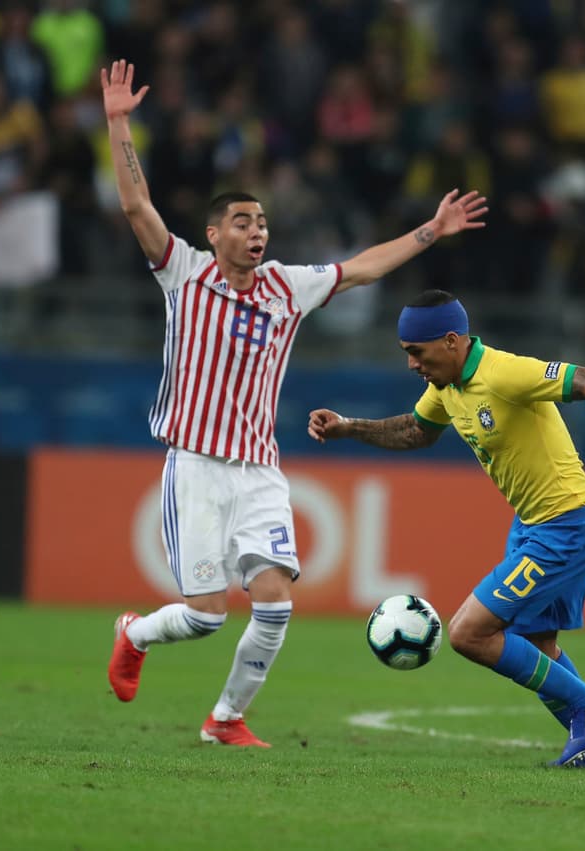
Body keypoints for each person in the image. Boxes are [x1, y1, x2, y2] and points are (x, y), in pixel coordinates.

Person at [101, 59, 487, 748]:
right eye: (243, 221)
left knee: (275, 605)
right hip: (194, 466)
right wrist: (119, 120)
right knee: (206, 616)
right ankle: (133, 632)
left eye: (263, 223)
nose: (257, 231)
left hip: (259, 470)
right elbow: (136, 206)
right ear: (214, 233)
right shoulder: (182, 273)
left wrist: (431, 230)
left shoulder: (288, 286)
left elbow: (364, 266)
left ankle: (225, 719)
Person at [307, 290, 585, 768]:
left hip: (569, 525)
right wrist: (349, 427)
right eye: (406, 354)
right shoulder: (446, 387)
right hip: (532, 524)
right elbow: (417, 432)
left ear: (453, 341)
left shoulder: (504, 373)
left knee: (468, 634)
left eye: (417, 352)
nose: (412, 364)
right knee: (539, 647)